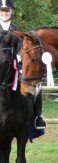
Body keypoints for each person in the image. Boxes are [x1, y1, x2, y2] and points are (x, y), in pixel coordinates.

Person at [0, 0, 46, 130]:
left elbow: (22, 46)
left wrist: (19, 56)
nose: (4, 13)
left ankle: (38, 116)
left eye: (7, 10)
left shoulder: (17, 30)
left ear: (11, 11)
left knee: (36, 85)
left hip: (15, 65)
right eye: (2, 10)